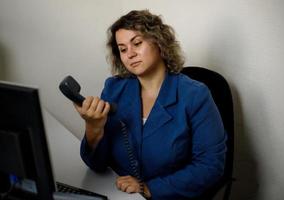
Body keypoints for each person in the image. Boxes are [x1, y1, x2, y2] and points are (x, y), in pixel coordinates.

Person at [74, 10, 227, 200]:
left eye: (137, 43)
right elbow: (96, 165)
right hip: (118, 193)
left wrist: (148, 188)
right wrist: (93, 128)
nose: (130, 54)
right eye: (122, 49)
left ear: (159, 42)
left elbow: (210, 166)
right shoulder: (114, 88)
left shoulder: (195, 95)